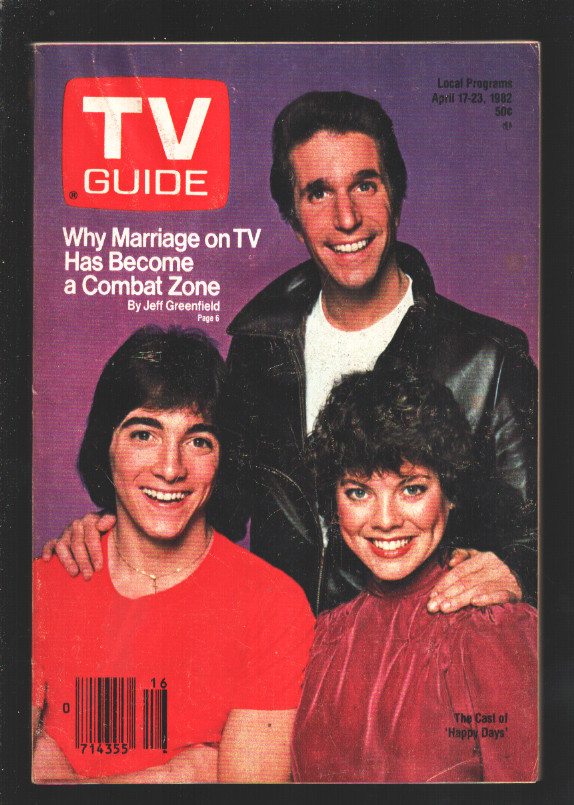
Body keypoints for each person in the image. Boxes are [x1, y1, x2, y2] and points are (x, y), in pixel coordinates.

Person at [44, 91, 537, 615]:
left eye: (364, 185)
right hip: (281, 647)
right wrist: (108, 532)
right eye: (318, 193)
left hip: (416, 651)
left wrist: (521, 568)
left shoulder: (488, 360)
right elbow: (208, 505)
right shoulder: (260, 347)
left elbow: (542, 532)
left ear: (395, 195)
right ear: (294, 217)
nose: (346, 217)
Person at [33, 326, 315, 784]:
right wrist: (177, 776)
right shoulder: (43, 584)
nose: (170, 468)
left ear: (223, 458)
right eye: (144, 435)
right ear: (106, 446)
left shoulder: (273, 606)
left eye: (198, 440)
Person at [290, 366, 537, 782]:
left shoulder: (493, 630)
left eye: (412, 489)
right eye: (358, 492)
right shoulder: (323, 637)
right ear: (334, 503)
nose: (385, 520)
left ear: (450, 493)